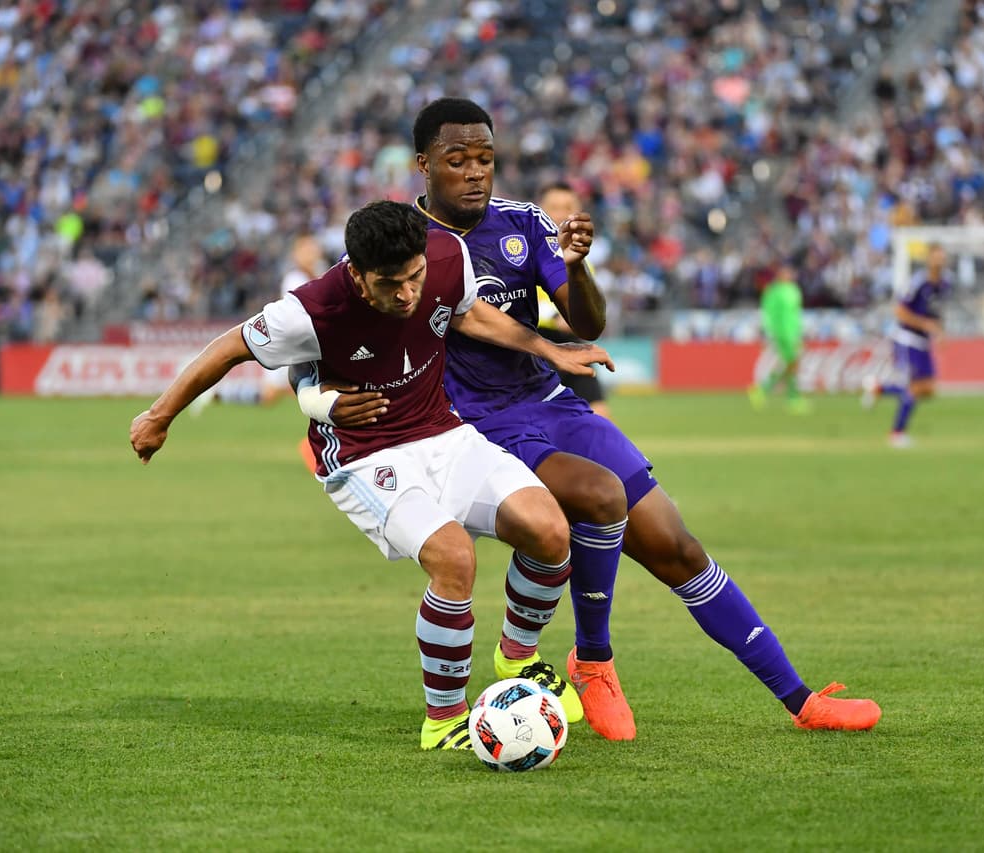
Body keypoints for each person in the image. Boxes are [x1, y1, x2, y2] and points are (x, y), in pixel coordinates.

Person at [301, 99, 881, 740]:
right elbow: (326, 333)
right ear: (424, 166)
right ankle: (594, 661)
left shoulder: (523, 225)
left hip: (551, 402)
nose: (474, 172)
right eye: (457, 160)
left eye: (485, 159)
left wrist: (576, 267)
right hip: (470, 426)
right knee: (598, 497)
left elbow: (588, 322)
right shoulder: (398, 247)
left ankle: (800, 700)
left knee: (677, 547)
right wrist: (323, 408)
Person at [131, 201, 615, 751]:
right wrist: (159, 416)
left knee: (550, 530)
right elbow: (228, 349)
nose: (408, 293)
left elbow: (468, 313)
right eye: (391, 284)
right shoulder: (311, 310)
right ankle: (445, 718)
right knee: (454, 559)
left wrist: (549, 348)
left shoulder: (446, 253)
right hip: (366, 457)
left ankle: (517, 656)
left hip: (443, 432)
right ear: (358, 274)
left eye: (415, 277)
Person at [536, 181, 613, 420]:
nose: (560, 214)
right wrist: (553, 317)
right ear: (540, 209)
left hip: (571, 344)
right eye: (554, 207)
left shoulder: (581, 257)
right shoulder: (523, 249)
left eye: (567, 207)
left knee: (600, 417)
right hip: (534, 347)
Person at [863, 245, 950, 448]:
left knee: (928, 389)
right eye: (935, 258)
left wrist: (939, 333)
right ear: (928, 260)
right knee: (914, 387)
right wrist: (924, 324)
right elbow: (900, 311)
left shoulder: (945, 285)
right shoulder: (918, 282)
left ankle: (879, 388)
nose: (939, 262)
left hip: (923, 341)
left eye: (942, 258)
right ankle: (897, 433)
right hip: (907, 338)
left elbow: (936, 314)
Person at [747, 263, 811, 414]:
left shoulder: (794, 290)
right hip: (782, 333)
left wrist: (800, 331)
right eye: (786, 273)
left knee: (790, 364)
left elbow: (796, 314)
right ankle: (791, 397)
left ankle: (763, 391)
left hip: (794, 332)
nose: (789, 276)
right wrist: (769, 332)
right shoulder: (774, 292)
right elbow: (768, 313)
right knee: (792, 364)